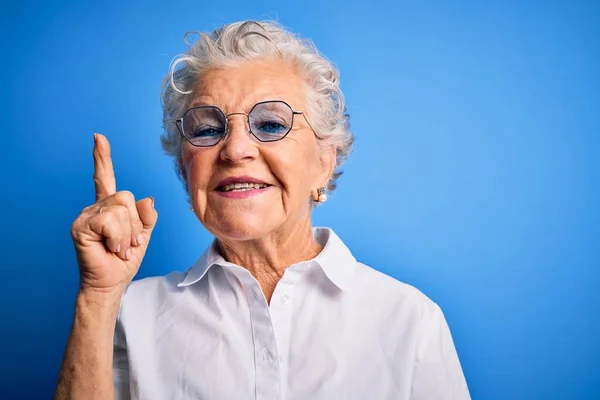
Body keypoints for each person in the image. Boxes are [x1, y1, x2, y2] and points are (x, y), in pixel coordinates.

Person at [55, 20, 470, 400]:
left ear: (324, 162)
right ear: (185, 167)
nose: (234, 149)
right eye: (207, 129)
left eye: (271, 124)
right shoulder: (130, 314)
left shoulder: (409, 320)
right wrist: (99, 297)